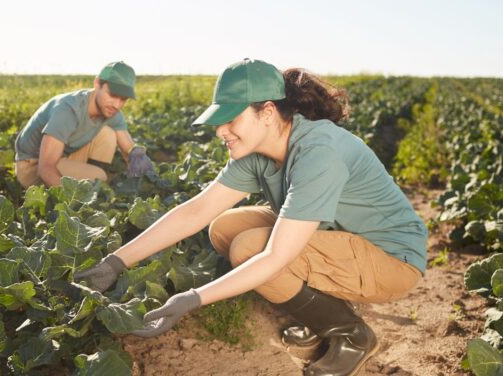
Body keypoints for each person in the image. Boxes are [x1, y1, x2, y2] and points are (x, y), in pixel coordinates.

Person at [74, 58, 427, 376]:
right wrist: (114, 263)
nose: (220, 131)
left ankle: (351, 334)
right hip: (342, 239)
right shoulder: (258, 151)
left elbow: (276, 256)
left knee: (251, 248)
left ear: (268, 113)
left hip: (391, 258)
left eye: (231, 119)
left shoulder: (318, 152)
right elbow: (196, 210)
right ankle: (328, 311)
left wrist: (192, 299)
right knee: (226, 228)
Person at [14, 61, 154, 188]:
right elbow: (45, 169)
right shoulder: (68, 110)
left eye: (123, 99)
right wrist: (72, 199)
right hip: (33, 166)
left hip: (62, 158)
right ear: (97, 83)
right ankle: (91, 186)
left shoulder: (111, 111)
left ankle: (92, 186)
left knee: (108, 134)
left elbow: (128, 149)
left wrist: (138, 158)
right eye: (112, 95)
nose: (117, 105)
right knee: (99, 177)